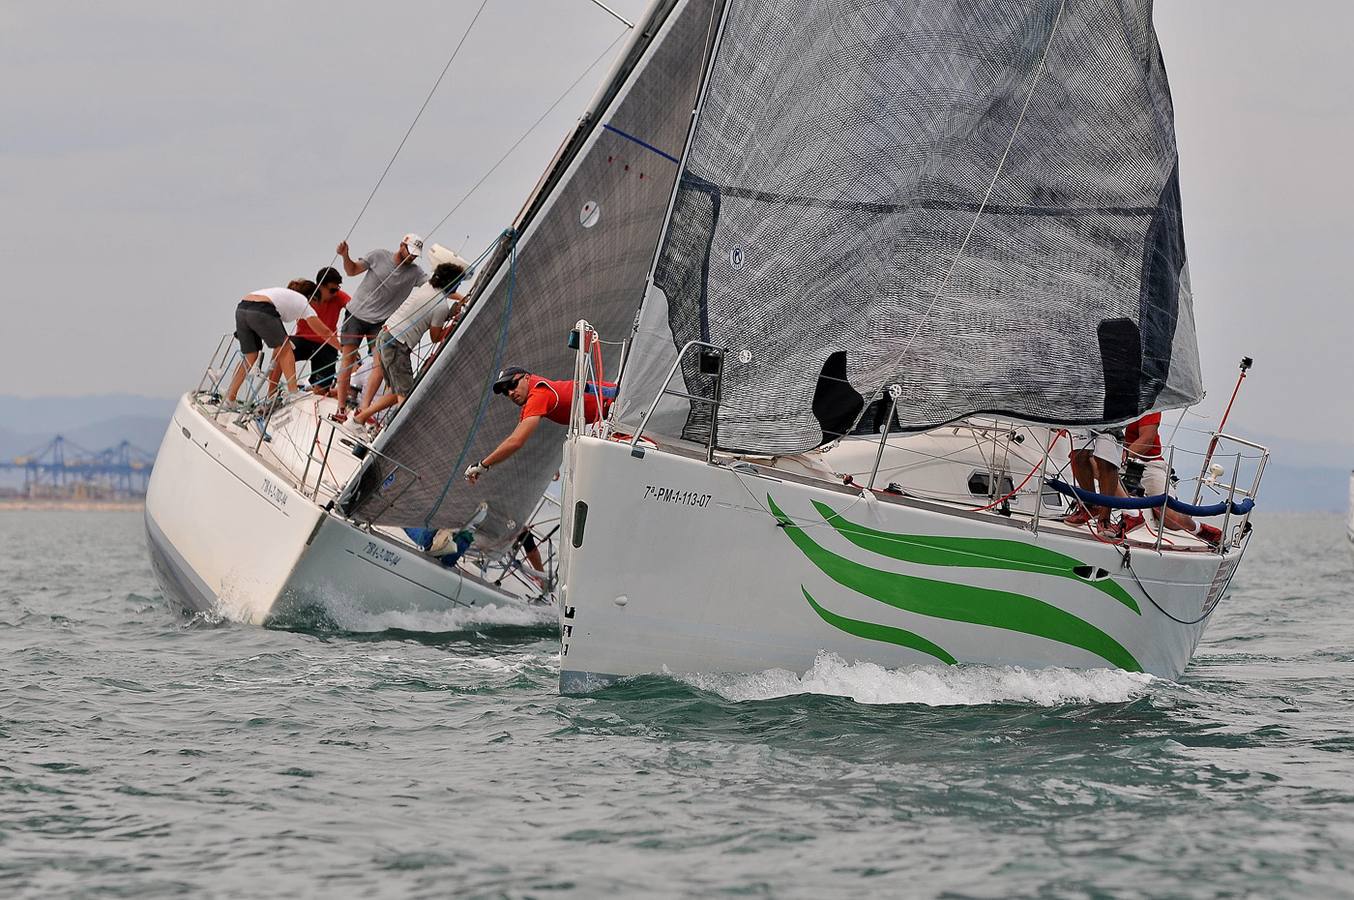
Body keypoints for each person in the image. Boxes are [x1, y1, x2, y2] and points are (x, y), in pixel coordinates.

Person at [352, 261, 468, 426]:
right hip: (397, 345)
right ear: (452, 283)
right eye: (458, 283)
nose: (458, 286)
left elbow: (426, 311)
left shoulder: (427, 287)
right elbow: (436, 337)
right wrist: (454, 323)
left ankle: (360, 418)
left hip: (385, 336)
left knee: (397, 391)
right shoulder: (441, 305)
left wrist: (450, 314)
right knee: (406, 396)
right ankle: (397, 431)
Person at [332, 234, 429, 420]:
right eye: (410, 252)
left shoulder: (415, 273)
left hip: (379, 323)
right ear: (401, 245)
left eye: (416, 255)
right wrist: (345, 255)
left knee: (379, 365)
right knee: (348, 360)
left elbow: (435, 287)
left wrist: (459, 295)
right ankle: (341, 409)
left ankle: (364, 409)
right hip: (356, 315)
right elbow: (351, 271)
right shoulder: (378, 256)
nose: (412, 257)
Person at [463, 367, 615, 483]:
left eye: (513, 384)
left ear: (527, 378)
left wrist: (483, 465)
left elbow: (516, 441)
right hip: (614, 411)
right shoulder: (534, 397)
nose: (510, 392)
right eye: (505, 391)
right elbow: (517, 434)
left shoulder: (539, 395)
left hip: (617, 402)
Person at [225, 280, 341, 406]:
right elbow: (324, 332)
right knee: (285, 348)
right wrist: (341, 348)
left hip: (243, 308)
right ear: (311, 298)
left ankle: (230, 398)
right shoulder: (303, 303)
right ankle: (293, 392)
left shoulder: (285, 296)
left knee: (250, 356)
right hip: (262, 309)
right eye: (315, 303)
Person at [1124, 412, 1223, 546]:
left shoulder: (1147, 403)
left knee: (1169, 516)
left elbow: (1147, 439)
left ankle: (1198, 528)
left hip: (1147, 464)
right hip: (1108, 460)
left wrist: (1120, 458)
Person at [1063, 429, 1141, 537]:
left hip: (1109, 416)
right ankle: (1091, 505)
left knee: (1106, 460)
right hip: (1080, 412)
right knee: (1077, 455)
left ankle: (1105, 518)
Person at [289, 267, 350, 393]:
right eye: (332, 290)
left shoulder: (338, 296)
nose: (335, 293)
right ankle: (272, 394)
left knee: (322, 389)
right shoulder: (306, 296)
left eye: (337, 289)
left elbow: (354, 308)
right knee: (282, 350)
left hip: (326, 344)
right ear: (320, 286)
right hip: (303, 340)